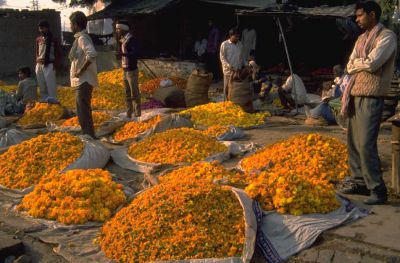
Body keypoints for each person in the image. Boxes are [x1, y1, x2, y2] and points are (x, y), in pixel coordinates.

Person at [339, 1, 397, 205]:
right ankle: (360, 181)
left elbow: (373, 64)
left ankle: (377, 189)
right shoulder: (361, 38)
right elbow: (349, 64)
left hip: (372, 95)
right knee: (353, 142)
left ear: (372, 15)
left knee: (366, 144)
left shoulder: (387, 36)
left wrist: (358, 64)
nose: (357, 19)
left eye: (360, 15)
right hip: (355, 93)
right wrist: (358, 64)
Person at [69, 11, 98, 138]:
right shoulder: (80, 38)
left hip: (84, 80)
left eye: (71, 23)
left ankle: (89, 135)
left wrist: (81, 70)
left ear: (75, 24)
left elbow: (91, 54)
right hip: (81, 81)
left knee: (83, 110)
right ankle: (87, 134)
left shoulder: (82, 38)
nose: (70, 26)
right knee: (81, 110)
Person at [115, 21, 141, 118]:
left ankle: (137, 113)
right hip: (125, 70)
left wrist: (123, 54)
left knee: (134, 93)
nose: (117, 31)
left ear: (123, 29)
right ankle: (129, 113)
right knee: (127, 93)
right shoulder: (123, 40)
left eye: (118, 29)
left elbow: (136, 53)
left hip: (132, 70)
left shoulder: (131, 40)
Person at [35, 20, 61, 103]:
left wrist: (55, 65)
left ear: (47, 28)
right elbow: (37, 51)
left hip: (50, 64)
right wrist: (37, 59)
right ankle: (44, 101)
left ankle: (53, 101)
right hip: (39, 64)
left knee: (51, 85)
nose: (41, 30)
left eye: (43, 28)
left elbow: (58, 53)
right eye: (40, 29)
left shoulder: (54, 39)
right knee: (41, 85)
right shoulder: (38, 39)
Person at [220, 27, 244, 99]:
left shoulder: (240, 44)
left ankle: (234, 102)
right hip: (228, 71)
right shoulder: (225, 44)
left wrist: (246, 65)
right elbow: (222, 57)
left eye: (238, 36)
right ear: (231, 36)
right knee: (227, 87)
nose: (237, 38)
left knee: (235, 88)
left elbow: (242, 56)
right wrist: (228, 65)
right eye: (236, 36)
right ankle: (225, 102)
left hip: (237, 70)